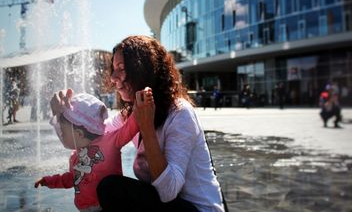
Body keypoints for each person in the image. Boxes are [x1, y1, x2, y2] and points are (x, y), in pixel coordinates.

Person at [52, 35, 226, 212]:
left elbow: (168, 192)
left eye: (121, 68)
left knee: (111, 188)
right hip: (168, 206)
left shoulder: (180, 113)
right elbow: (92, 132)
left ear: (143, 70)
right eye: (113, 69)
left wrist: (147, 128)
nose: (113, 77)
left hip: (198, 209)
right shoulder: (131, 114)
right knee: (101, 180)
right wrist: (61, 113)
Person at [35, 90, 153, 212]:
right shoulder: (75, 157)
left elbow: (130, 128)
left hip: (109, 206)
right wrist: (49, 181)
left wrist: (141, 105)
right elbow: (72, 179)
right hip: (84, 209)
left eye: (63, 131)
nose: (61, 134)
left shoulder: (110, 141)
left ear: (79, 133)